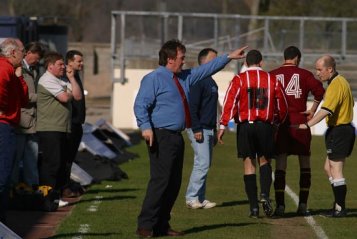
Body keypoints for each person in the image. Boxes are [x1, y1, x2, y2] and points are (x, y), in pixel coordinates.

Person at [134, 39, 247, 238]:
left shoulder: (184, 77)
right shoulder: (154, 78)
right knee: (160, 182)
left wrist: (228, 57)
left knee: (174, 183)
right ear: (170, 59)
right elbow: (140, 105)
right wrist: (145, 127)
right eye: (181, 58)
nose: (184, 61)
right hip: (160, 135)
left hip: (176, 137)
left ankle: (162, 225)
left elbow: (207, 69)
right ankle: (145, 225)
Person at [218, 49, 288, 218]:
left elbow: (229, 102)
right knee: (264, 161)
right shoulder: (272, 80)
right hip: (265, 126)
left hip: (245, 126)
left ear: (246, 63)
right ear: (261, 62)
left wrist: (222, 125)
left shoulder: (239, 79)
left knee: (248, 165)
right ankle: (264, 194)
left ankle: (254, 208)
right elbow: (282, 105)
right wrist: (277, 121)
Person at [269, 46, 325, 217]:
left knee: (280, 163)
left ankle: (280, 206)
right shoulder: (305, 74)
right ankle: (302, 205)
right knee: (305, 163)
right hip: (300, 123)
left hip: (280, 124)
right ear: (297, 58)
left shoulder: (272, 74)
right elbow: (320, 91)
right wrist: (313, 109)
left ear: (284, 57)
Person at [297, 55, 355, 217]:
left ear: (330, 69)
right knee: (327, 168)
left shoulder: (337, 84)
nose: (317, 73)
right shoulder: (337, 82)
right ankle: (337, 205)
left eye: (319, 69)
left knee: (336, 169)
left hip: (340, 131)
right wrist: (312, 112)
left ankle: (341, 209)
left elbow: (326, 110)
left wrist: (307, 124)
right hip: (338, 130)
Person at [36, 51, 82, 208]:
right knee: (51, 164)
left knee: (61, 164)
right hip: (50, 128)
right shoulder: (47, 80)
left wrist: (71, 79)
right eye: (60, 64)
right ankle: (46, 198)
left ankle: (55, 196)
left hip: (62, 128)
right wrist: (67, 92)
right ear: (50, 67)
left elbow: (77, 96)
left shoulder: (61, 80)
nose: (64, 67)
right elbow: (64, 98)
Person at [185, 48, 218, 210]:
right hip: (199, 128)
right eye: (213, 59)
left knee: (204, 163)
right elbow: (192, 107)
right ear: (203, 61)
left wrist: (215, 130)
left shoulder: (210, 80)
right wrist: (196, 127)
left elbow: (211, 109)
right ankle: (191, 197)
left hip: (209, 129)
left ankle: (200, 197)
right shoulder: (198, 80)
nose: (216, 62)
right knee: (202, 163)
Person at [0, 38, 28, 223]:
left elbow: (23, 99)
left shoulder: (11, 70)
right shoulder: (4, 68)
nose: (24, 55)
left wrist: (19, 76)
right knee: (3, 174)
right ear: (12, 53)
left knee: (6, 173)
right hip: (3, 125)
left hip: (8, 125)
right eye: (21, 51)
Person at [12, 42, 44, 190]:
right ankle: (11, 188)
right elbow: (20, 94)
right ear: (28, 53)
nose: (37, 61)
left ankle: (31, 187)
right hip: (21, 121)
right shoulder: (18, 69)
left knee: (32, 157)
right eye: (36, 58)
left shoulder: (32, 70)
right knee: (15, 157)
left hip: (32, 120)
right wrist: (41, 97)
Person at [62, 50, 86, 198]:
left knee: (70, 158)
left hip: (78, 123)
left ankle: (66, 184)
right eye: (79, 61)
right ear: (70, 62)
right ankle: (63, 187)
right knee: (65, 158)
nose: (81, 64)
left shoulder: (76, 76)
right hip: (70, 123)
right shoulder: (66, 77)